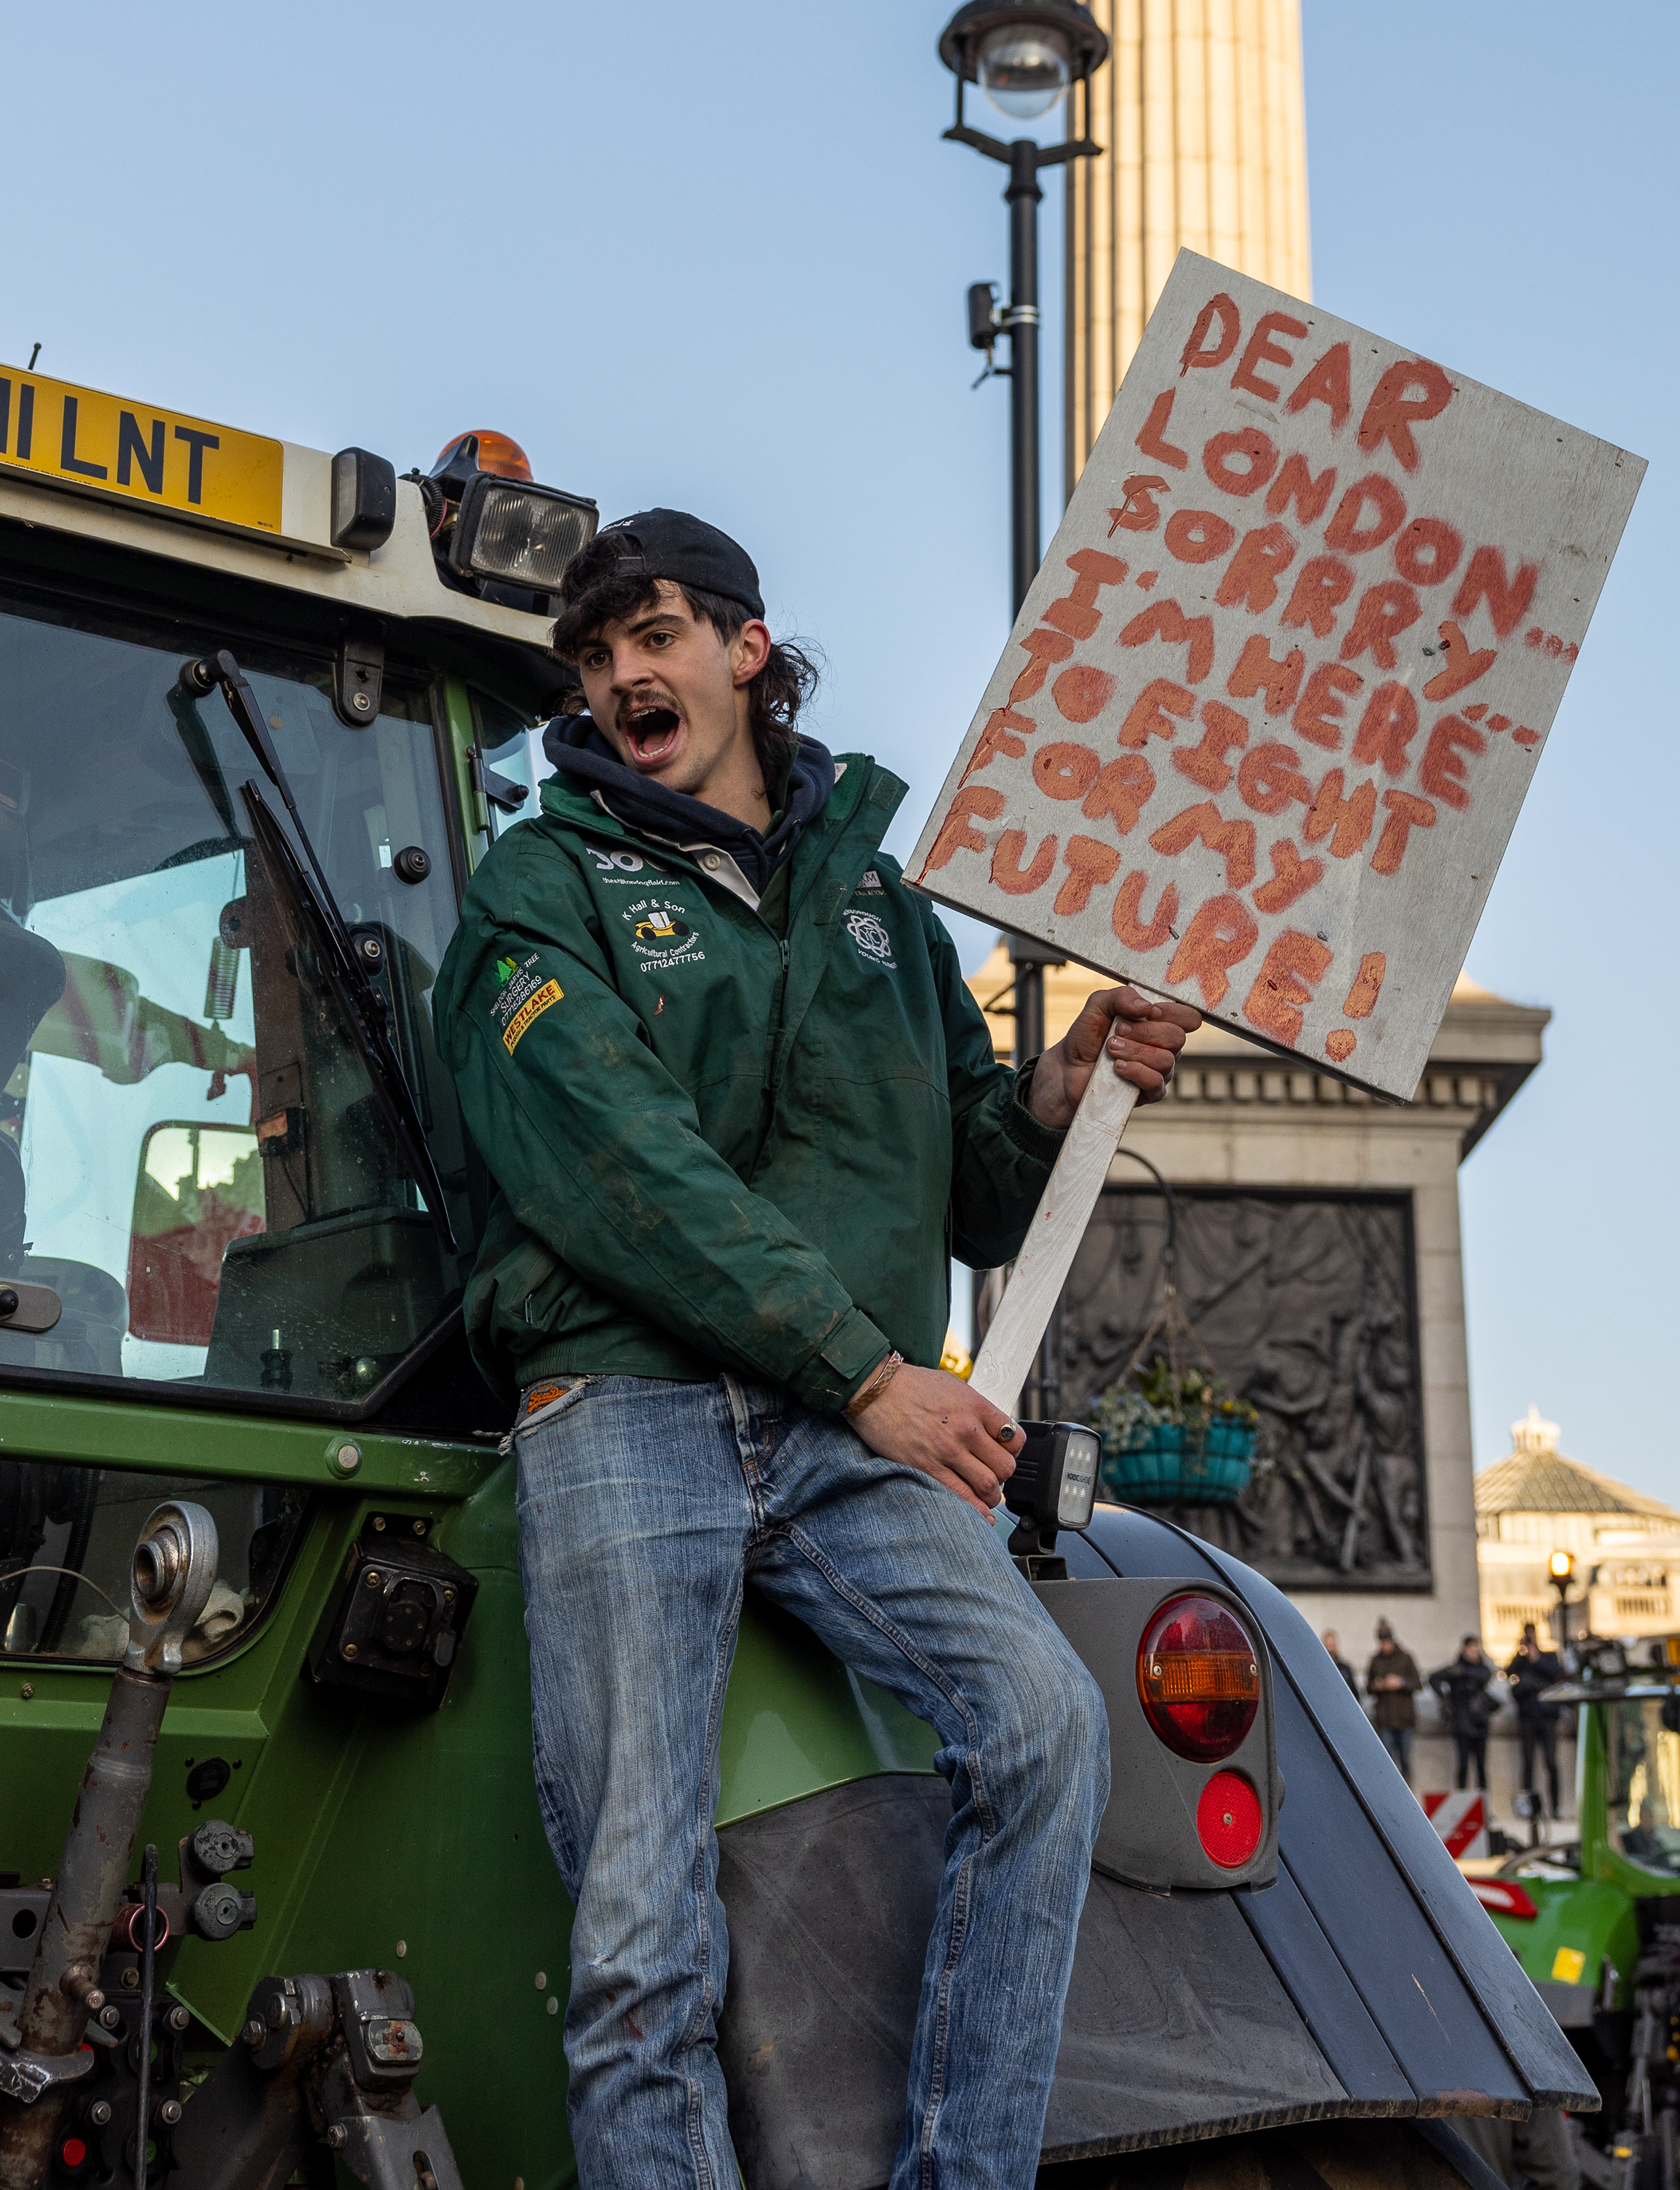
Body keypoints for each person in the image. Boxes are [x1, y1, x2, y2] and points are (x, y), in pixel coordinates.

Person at [431, 510, 1201, 2190]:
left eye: (651, 635)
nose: (623, 674)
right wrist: (867, 1370)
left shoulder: (880, 904)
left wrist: (1058, 1091)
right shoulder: (538, 887)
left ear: (745, 647)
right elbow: (621, 1168)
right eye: (593, 655)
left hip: (849, 1411)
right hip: (630, 1405)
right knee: (641, 1915)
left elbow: (966, 1181)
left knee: (1046, 1727)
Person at [1507, 1624, 1562, 1819]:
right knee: (1528, 1763)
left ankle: (1556, 1808)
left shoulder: (1548, 1656)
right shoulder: (1522, 1661)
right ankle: (1529, 1810)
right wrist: (1520, 1652)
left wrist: (1535, 1655)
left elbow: (1555, 1672)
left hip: (1547, 1716)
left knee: (1551, 1762)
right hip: (1528, 1717)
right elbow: (1508, 1672)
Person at [1436, 1635, 1500, 1794]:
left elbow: (1485, 1675)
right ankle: (1462, 1804)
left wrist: (1464, 1673)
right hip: (1462, 1722)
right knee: (1463, 1764)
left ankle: (1483, 1804)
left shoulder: (1479, 1669)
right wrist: (1445, 1698)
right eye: (1471, 1650)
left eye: (1476, 1650)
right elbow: (1434, 1678)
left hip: (1480, 1722)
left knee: (1481, 1766)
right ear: (1464, 1650)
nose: (1474, 1653)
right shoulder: (1455, 1669)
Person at [1365, 1619, 1421, 1777]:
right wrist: (1378, 1686)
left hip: (1404, 1719)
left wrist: (1401, 1682)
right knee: (1387, 1763)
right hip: (1385, 1719)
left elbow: (1417, 1683)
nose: (1384, 1646)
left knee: (1405, 1761)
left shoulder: (1405, 1658)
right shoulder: (1376, 1660)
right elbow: (1368, 1687)